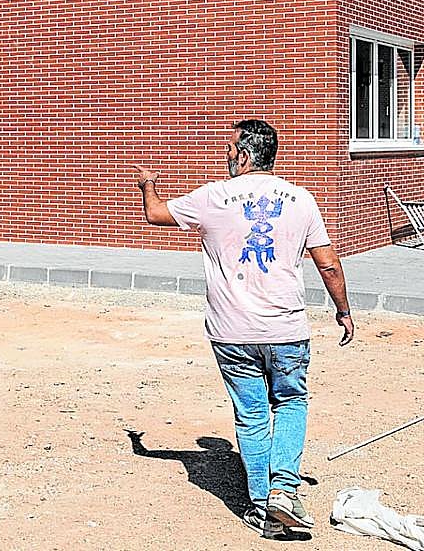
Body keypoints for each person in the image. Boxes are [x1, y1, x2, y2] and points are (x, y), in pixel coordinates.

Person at [134, 119, 354, 539]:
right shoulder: (301, 199)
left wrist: (148, 184)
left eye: (229, 148)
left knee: (252, 414)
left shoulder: (213, 196)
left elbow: (155, 213)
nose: (225, 154)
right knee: (290, 403)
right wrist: (342, 310)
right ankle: (283, 490)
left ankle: (260, 506)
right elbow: (327, 262)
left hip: (231, 331)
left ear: (245, 155)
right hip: (286, 329)